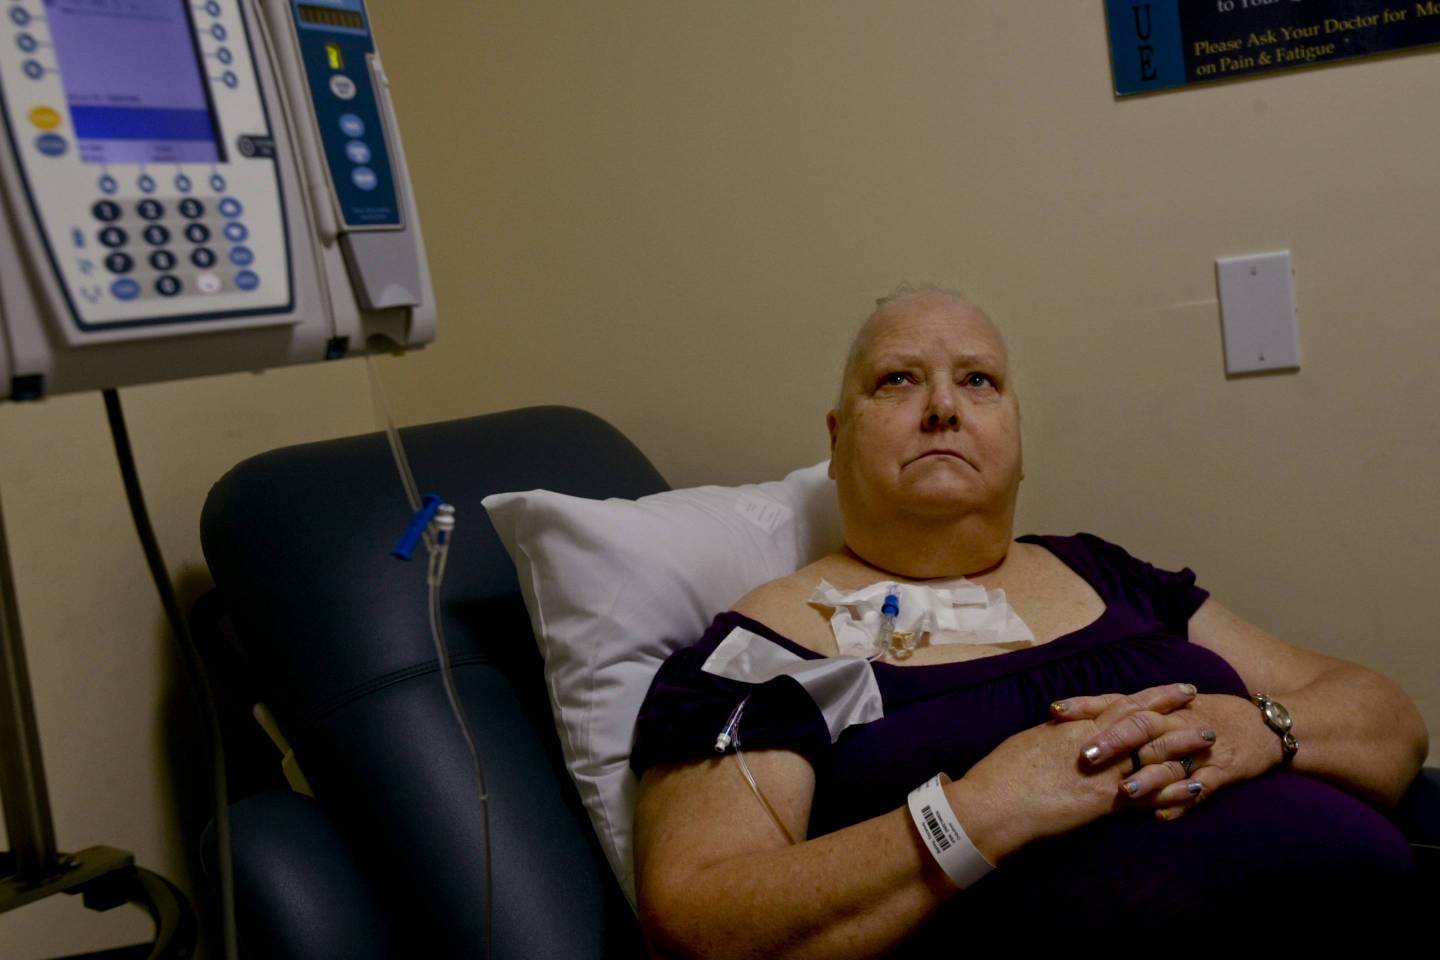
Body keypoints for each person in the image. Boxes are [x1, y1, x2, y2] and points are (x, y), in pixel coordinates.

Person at [628, 286, 1430, 957]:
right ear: (837, 444)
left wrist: (1259, 726)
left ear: (1017, 443)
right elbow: (698, 919)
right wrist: (983, 812)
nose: (943, 407)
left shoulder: (1103, 573)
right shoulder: (766, 648)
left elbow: (1389, 726)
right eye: (898, 381)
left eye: (979, 381)